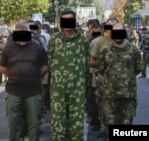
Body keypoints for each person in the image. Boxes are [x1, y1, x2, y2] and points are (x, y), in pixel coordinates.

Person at [0, 22, 48, 141]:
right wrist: (13, 75)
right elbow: (1, 67)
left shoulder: (37, 48)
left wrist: (34, 75)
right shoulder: (8, 48)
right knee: (14, 123)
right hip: (13, 91)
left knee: (34, 123)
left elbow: (45, 66)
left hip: (33, 91)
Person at [48, 9, 90, 141]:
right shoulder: (54, 40)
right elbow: (50, 61)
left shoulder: (83, 41)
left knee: (77, 119)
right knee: (57, 119)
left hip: (77, 88)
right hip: (58, 89)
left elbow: (88, 64)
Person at [97, 22, 141, 141]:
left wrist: (126, 79)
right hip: (110, 95)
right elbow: (101, 69)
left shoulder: (133, 50)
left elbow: (138, 69)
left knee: (126, 123)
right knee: (111, 124)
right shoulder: (105, 51)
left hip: (128, 95)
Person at [90, 17, 119, 138]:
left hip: (120, 82)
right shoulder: (99, 42)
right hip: (102, 79)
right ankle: (104, 127)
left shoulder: (123, 41)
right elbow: (92, 60)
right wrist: (104, 67)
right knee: (102, 104)